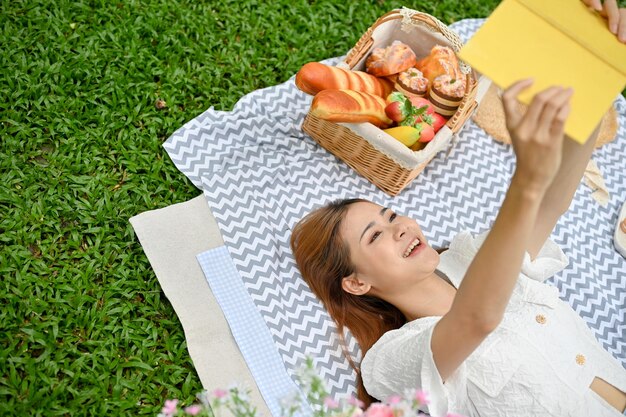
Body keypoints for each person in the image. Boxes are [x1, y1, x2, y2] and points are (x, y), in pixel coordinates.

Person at [290, 1, 626, 416]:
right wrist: (526, 179)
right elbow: (476, 320)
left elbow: (552, 204)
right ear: (356, 283)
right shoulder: (389, 362)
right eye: (374, 235)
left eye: (391, 216)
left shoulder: (472, 256)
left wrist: (601, 72)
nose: (398, 229)